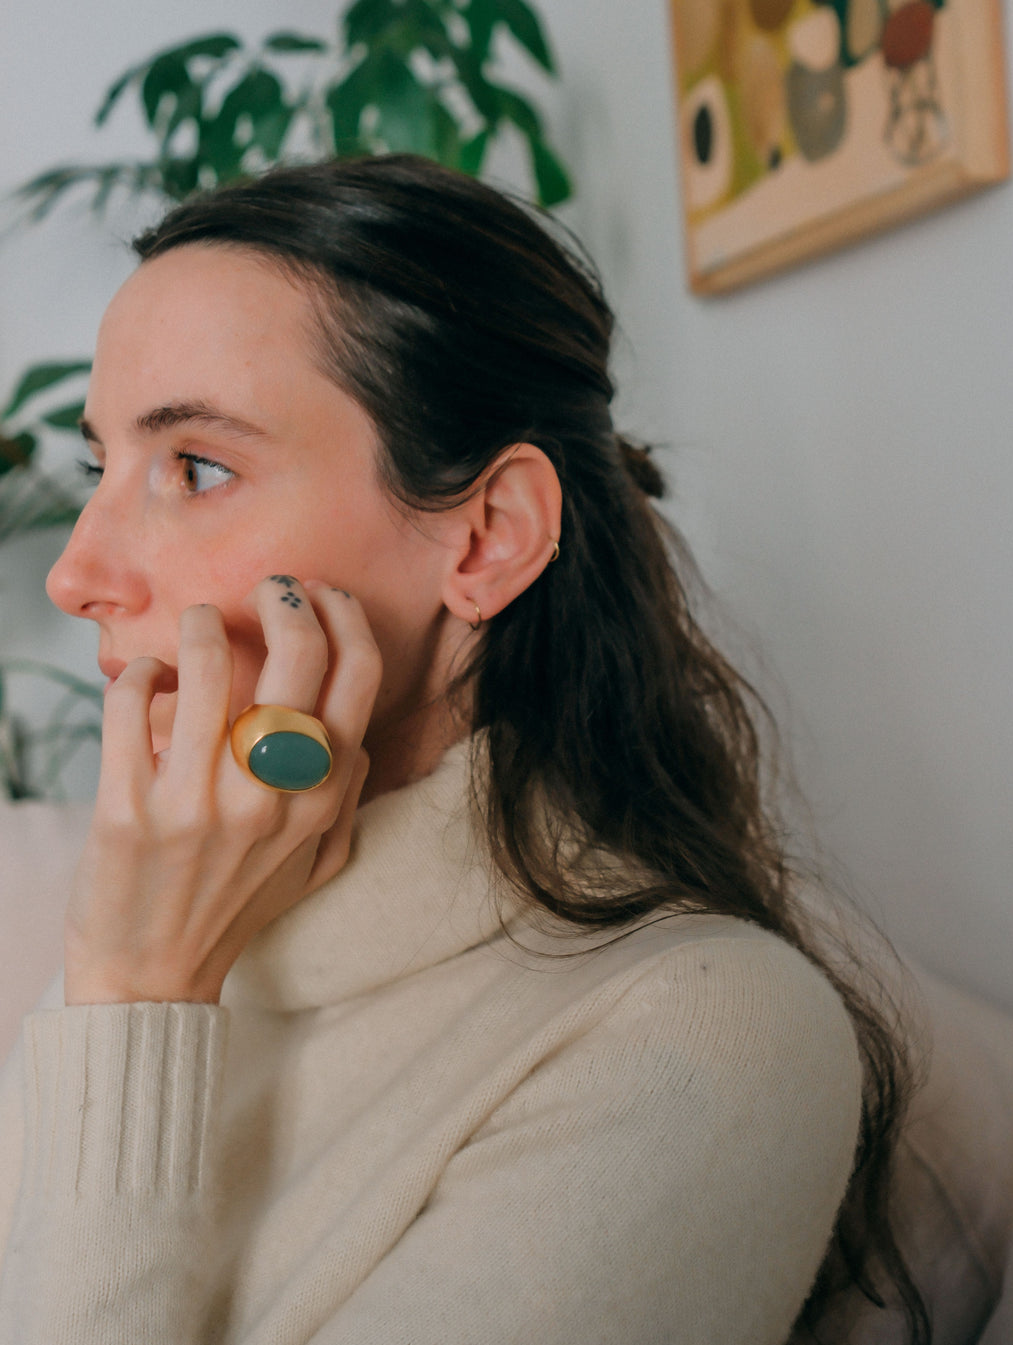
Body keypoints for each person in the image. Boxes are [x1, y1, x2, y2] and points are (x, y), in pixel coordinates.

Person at [0, 155, 926, 1343]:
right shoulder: (176, 894)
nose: (74, 575)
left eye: (198, 467)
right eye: (101, 465)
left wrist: (138, 994)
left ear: (486, 540)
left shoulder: (709, 1037)